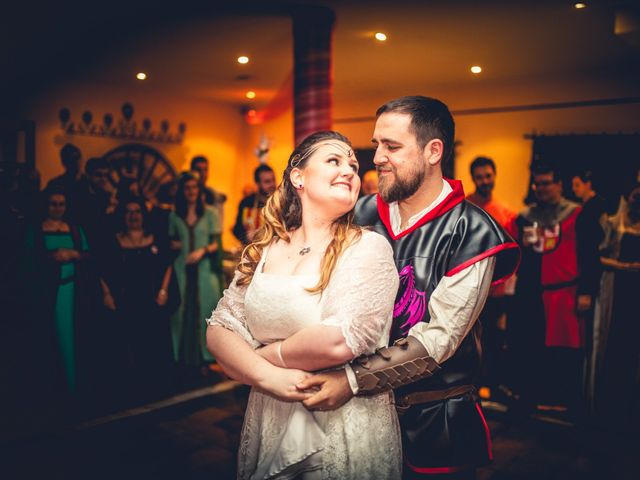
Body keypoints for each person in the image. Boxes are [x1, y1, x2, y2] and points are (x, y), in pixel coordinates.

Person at [296, 97, 520, 480]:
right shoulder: (358, 214)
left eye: (392, 146)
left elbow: (439, 337)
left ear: (434, 151)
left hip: (435, 420)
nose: (377, 158)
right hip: (352, 419)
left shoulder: (474, 232)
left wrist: (350, 380)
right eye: (377, 144)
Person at [206, 131, 402, 479]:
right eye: (334, 161)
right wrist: (269, 380)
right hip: (270, 410)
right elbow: (220, 329)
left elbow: (340, 339)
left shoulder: (367, 248)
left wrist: (256, 360)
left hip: (341, 421)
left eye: (353, 166)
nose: (349, 171)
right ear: (298, 176)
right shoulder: (263, 250)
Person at [510, 164, 583, 415]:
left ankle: (561, 400)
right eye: (537, 184)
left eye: (546, 183)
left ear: (559, 184)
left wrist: (586, 292)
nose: (541, 188)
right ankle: (530, 397)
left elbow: (586, 256)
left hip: (563, 293)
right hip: (530, 293)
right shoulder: (523, 218)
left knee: (562, 348)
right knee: (529, 346)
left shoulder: (576, 215)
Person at [99, 196, 178, 402]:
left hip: (150, 303)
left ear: (144, 215)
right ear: (123, 216)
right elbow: (102, 269)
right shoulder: (114, 240)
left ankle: (154, 388)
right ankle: (130, 391)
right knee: (127, 348)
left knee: (152, 345)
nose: (133, 216)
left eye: (137, 211)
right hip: (125, 302)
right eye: (129, 212)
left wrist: (163, 290)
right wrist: (106, 294)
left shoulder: (155, 239)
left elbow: (167, 265)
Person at [24, 187, 91, 394]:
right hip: (47, 292)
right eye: (53, 203)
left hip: (73, 291)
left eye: (61, 204)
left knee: (74, 339)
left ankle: (74, 386)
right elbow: (27, 258)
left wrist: (72, 254)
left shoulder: (74, 228)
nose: (58, 208)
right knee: (49, 338)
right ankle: (53, 388)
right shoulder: (35, 229)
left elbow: (87, 255)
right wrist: (52, 256)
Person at [589, 183, 640, 428]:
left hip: (635, 293)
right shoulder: (613, 223)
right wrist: (625, 267)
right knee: (614, 343)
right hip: (617, 289)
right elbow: (596, 256)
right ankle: (609, 405)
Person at [466, 156, 517, 397]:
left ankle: (494, 386)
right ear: (473, 179)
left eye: (488, 175)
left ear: (494, 175)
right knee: (469, 341)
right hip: (470, 289)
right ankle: (471, 386)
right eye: (479, 177)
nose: (484, 181)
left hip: (497, 291)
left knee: (495, 340)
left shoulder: (507, 212)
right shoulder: (465, 207)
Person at [169, 173, 223, 373]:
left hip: (204, 271)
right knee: (181, 312)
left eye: (194, 188)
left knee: (205, 313)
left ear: (199, 191)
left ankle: (205, 358)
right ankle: (181, 358)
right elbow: (170, 241)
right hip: (181, 270)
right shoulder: (174, 216)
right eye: (187, 188)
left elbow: (215, 244)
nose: (191, 192)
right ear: (182, 192)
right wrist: (173, 243)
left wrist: (202, 251)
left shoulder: (210, 214)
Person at [232, 164, 277, 245]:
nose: (272, 184)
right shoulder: (246, 203)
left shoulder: (281, 203)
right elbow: (237, 229)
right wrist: (246, 236)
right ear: (258, 183)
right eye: (267, 181)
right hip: (252, 251)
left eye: (273, 180)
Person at [190, 155, 226, 227]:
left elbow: (218, 224)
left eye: (205, 169)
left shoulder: (212, 195)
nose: (203, 174)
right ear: (192, 171)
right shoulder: (185, 193)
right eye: (198, 170)